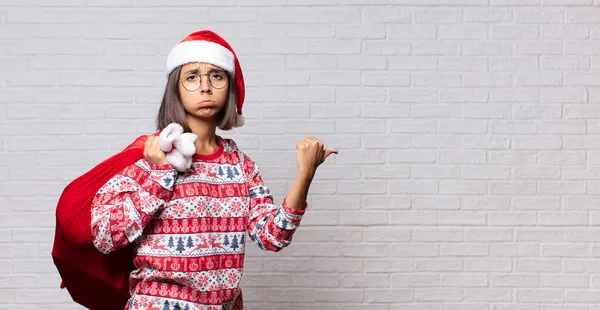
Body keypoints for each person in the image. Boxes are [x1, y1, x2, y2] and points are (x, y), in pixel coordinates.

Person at [88, 30, 337, 310]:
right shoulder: (151, 154)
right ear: (176, 89)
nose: (205, 86)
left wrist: (304, 175)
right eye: (192, 77)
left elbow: (272, 238)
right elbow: (105, 236)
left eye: (216, 76)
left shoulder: (240, 165)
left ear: (229, 88)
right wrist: (157, 176)